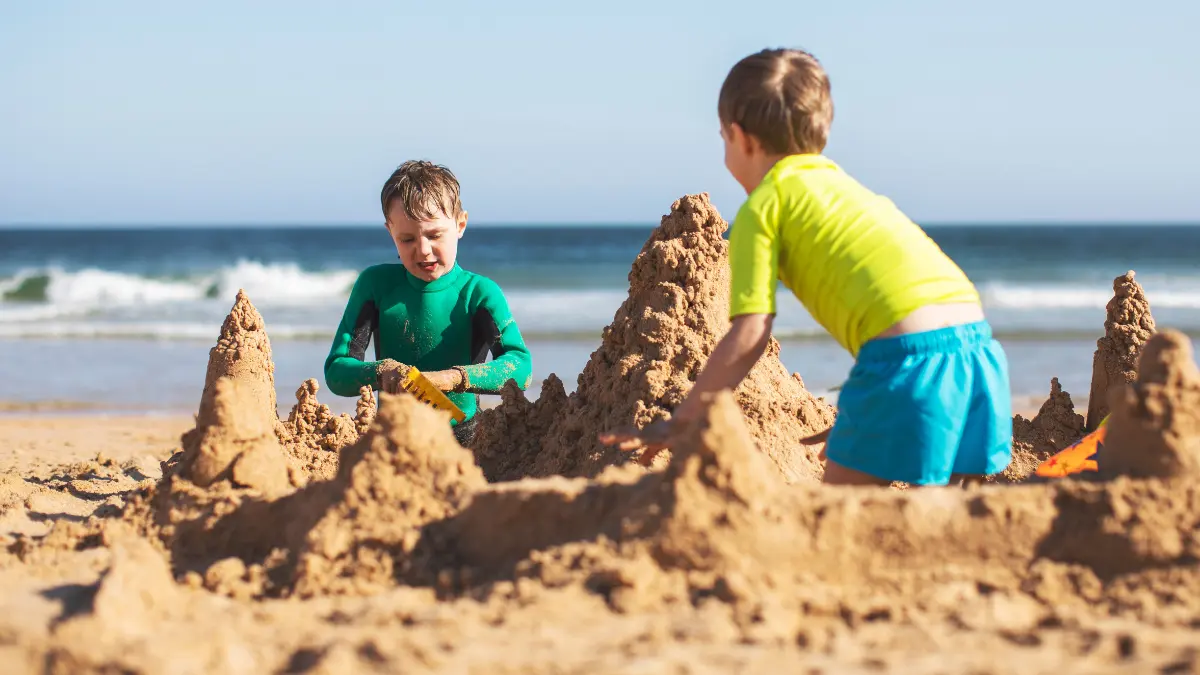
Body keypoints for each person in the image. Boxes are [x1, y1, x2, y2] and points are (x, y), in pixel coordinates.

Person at [600, 48, 1012, 486]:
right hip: (979, 350)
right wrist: (866, 412)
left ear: (742, 139)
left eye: (723, 139)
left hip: (904, 364)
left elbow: (750, 333)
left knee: (830, 528)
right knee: (953, 516)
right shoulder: (847, 188)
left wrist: (684, 418)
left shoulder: (764, 207)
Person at [324, 160, 532, 445]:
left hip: (462, 439)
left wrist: (452, 378)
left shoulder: (479, 292)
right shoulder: (375, 286)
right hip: (393, 438)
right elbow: (336, 371)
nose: (423, 251)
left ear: (460, 225)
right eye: (407, 239)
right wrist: (381, 372)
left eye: (434, 235)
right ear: (390, 231)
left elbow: (520, 368)